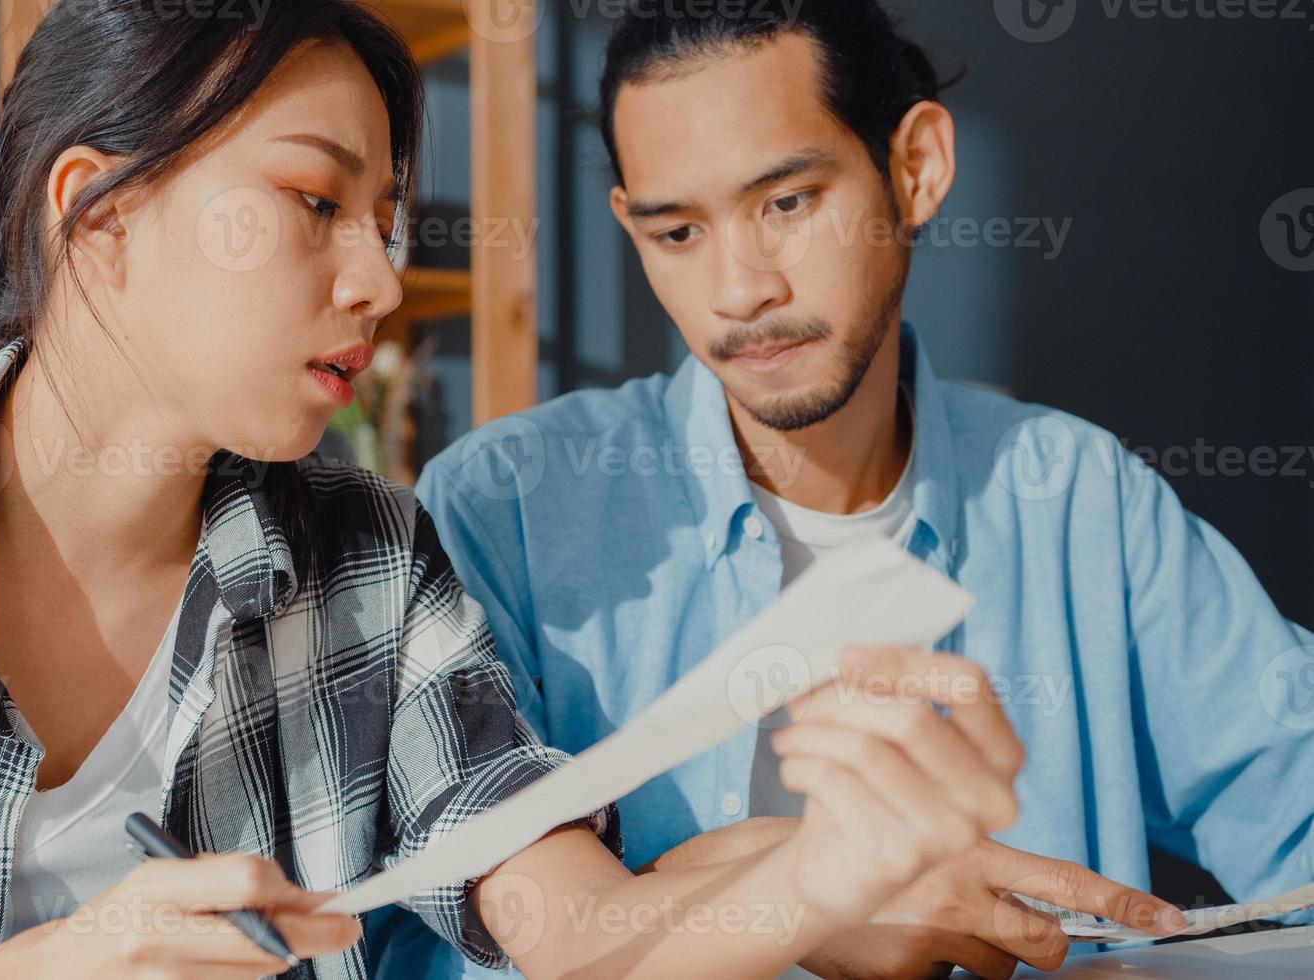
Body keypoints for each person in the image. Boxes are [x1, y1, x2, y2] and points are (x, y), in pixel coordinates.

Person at [0, 2, 1029, 978]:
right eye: (315, 202)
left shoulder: (369, 562)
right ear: (99, 216)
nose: (381, 278)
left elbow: (574, 928)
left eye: (387, 219)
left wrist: (819, 880)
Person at [388, 2, 1313, 978]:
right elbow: (445, 939)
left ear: (913, 167)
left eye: (785, 202)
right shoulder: (506, 508)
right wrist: (776, 892)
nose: (738, 289)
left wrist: (718, 868)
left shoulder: (1079, 500)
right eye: (676, 231)